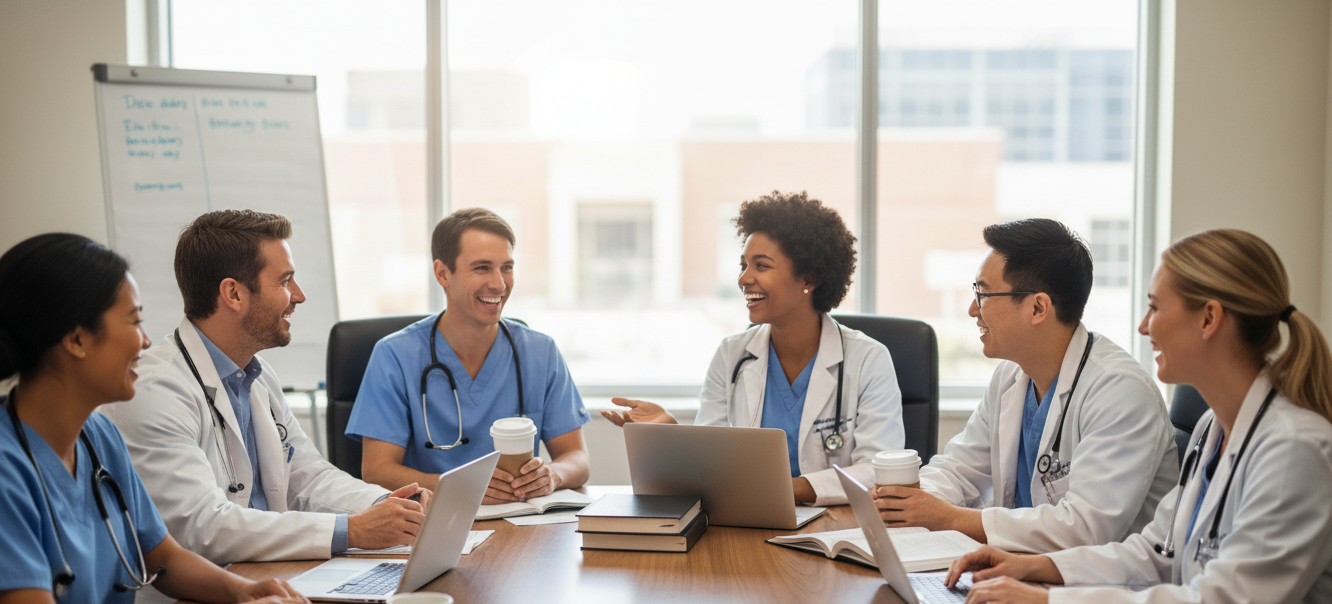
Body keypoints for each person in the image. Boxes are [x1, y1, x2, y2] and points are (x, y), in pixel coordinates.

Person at [945, 230, 1332, 604]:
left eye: (1154, 307)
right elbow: (1154, 553)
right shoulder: (1212, 432)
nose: (1143, 325)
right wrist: (1038, 569)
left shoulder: (1294, 449)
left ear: (1209, 318)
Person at [0, 234, 336, 604]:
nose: (147, 341)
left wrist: (246, 593)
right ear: (77, 339)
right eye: (133, 321)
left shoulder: (98, 436)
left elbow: (163, 557)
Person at [103, 210, 428, 564]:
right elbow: (202, 525)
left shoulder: (258, 376)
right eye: (285, 281)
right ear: (234, 294)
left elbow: (305, 477)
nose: (299, 296)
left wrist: (387, 506)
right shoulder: (155, 390)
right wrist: (353, 531)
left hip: (264, 580)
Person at [874, 219, 1177, 551]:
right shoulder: (1011, 377)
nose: (973, 309)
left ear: (1037, 308)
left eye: (984, 293)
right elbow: (960, 468)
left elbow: (1086, 529)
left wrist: (948, 518)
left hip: (1098, 589)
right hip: (1017, 571)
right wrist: (912, 501)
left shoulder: (1120, 391)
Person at [601, 190, 904, 506]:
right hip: (749, 521)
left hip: (836, 526)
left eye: (761, 266)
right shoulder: (732, 355)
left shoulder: (868, 359)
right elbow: (711, 465)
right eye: (744, 265)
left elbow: (876, 471)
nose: (744, 279)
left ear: (809, 278)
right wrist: (672, 433)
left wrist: (784, 489)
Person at [347, 208, 591, 505]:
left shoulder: (540, 352)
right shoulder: (395, 356)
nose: (500, 284)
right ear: (442, 273)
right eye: (482, 268)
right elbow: (376, 471)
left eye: (507, 267)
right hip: (435, 524)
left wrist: (553, 475)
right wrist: (461, 487)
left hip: (523, 527)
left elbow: (577, 458)